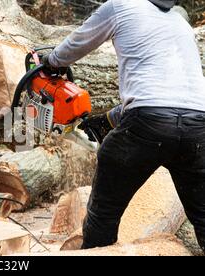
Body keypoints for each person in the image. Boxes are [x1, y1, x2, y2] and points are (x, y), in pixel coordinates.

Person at [42, 0, 205, 251]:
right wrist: (109, 119)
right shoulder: (180, 24)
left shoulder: (120, 6)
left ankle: (98, 250)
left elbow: (77, 43)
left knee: (104, 213)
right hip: (199, 129)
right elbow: (171, 98)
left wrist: (52, 61)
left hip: (148, 124)